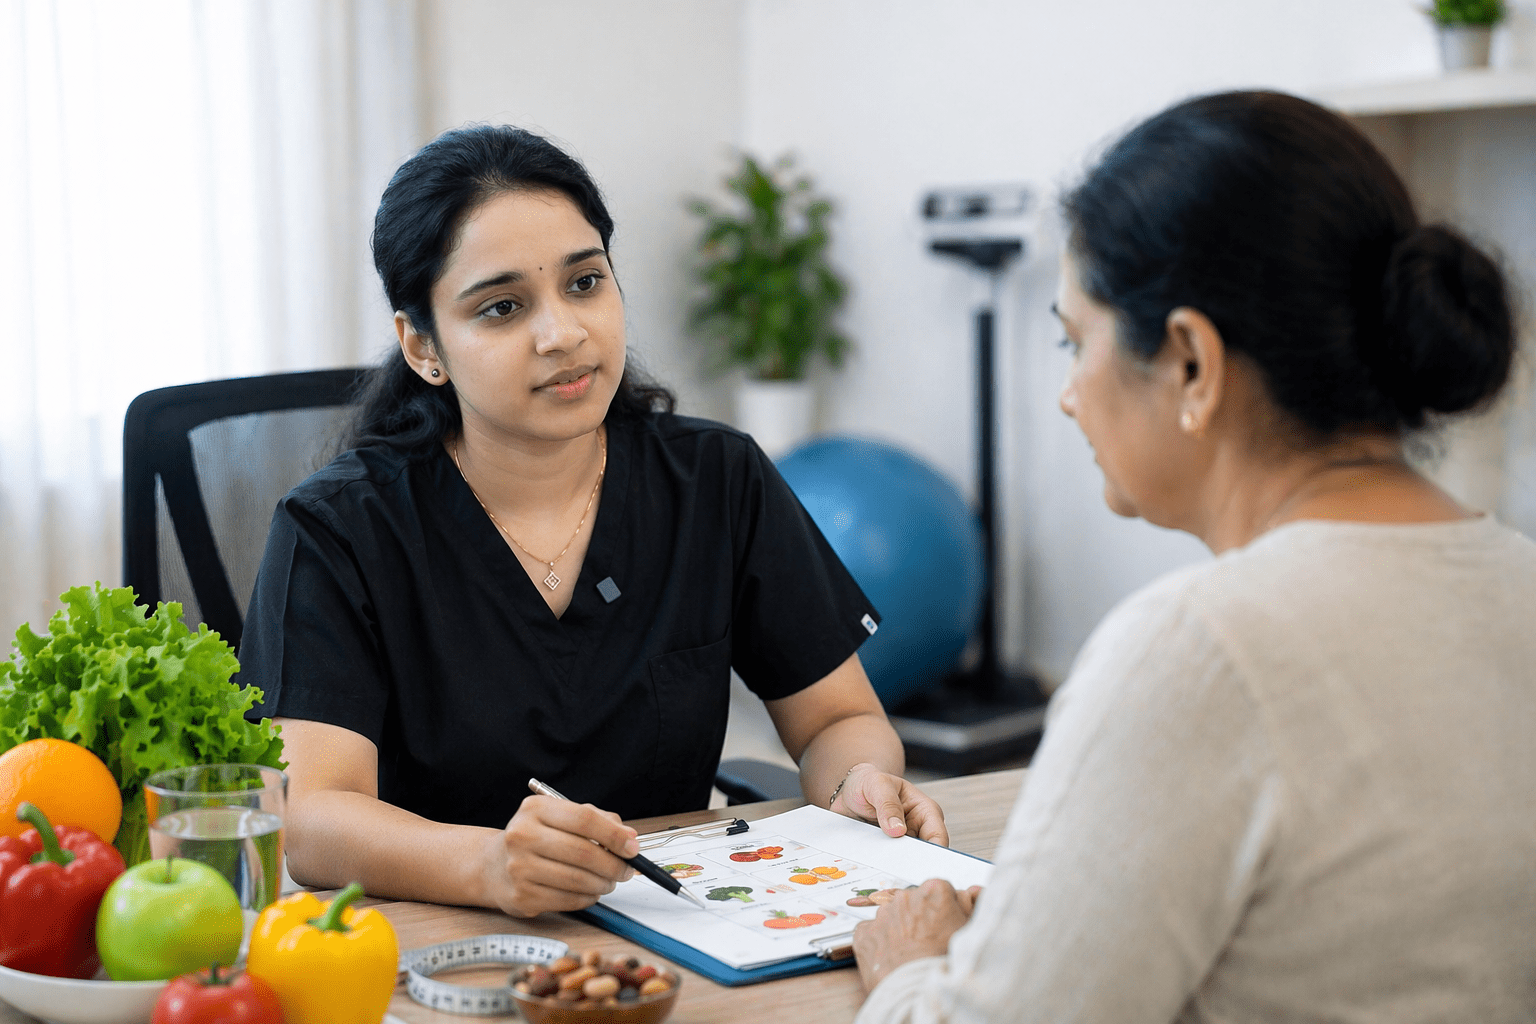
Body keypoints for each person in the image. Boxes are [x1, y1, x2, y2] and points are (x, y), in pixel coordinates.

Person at [853, 90, 1536, 1022]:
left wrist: (908, 968)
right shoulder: (1519, 579)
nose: (1067, 396)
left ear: (1190, 363)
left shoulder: (1199, 648)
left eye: (1075, 340)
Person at [240, 125, 946, 918]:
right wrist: (489, 867)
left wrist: (855, 786)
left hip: (677, 927)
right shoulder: (341, 528)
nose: (564, 333)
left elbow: (838, 721)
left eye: (585, 283)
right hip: (442, 937)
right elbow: (313, 818)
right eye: (503, 307)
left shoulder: (716, 479)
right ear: (423, 346)